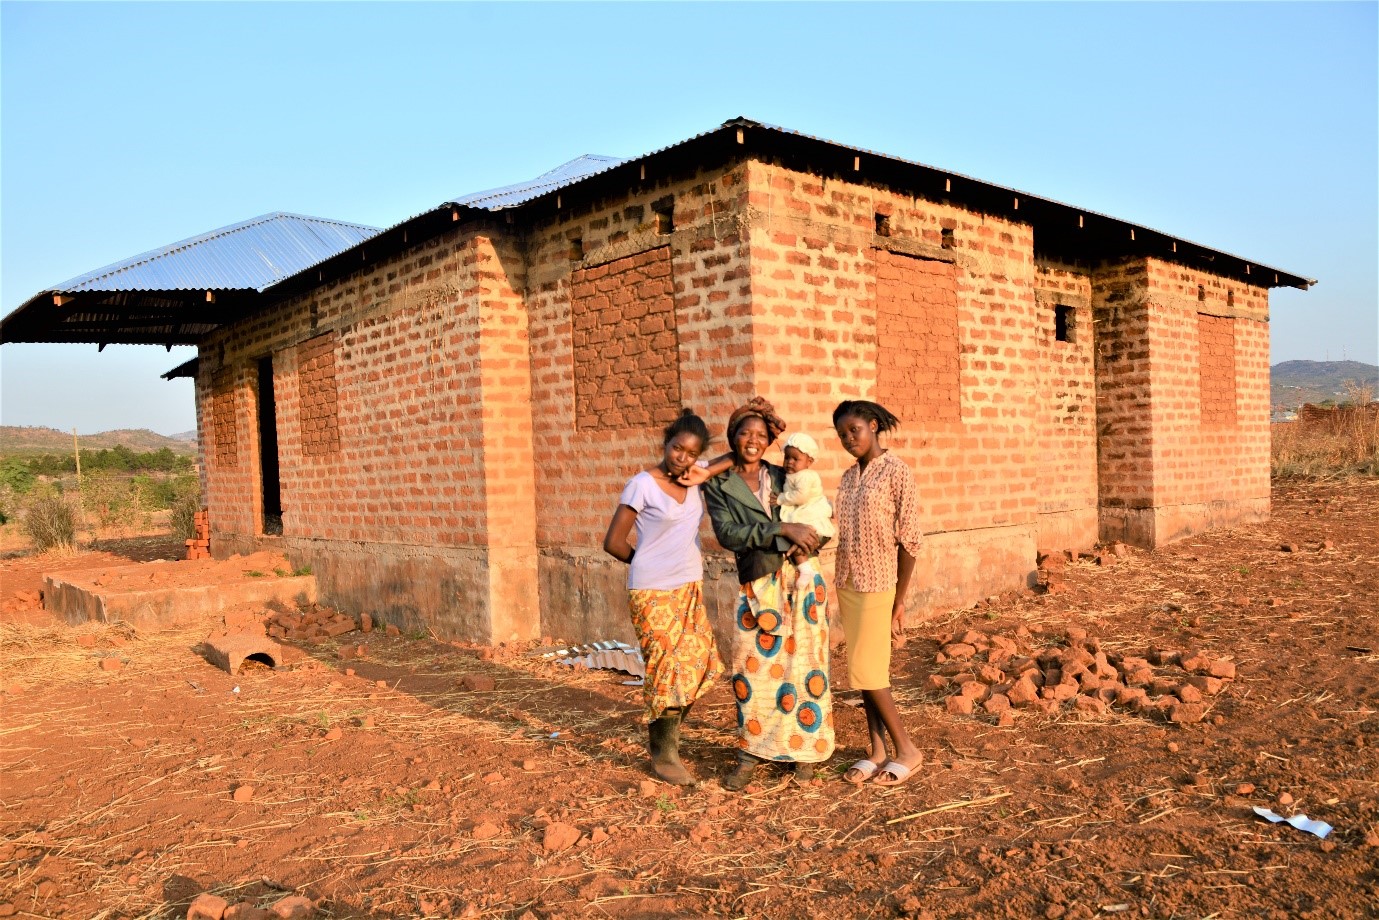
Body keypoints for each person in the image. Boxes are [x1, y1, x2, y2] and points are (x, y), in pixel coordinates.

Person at [699, 397, 836, 790]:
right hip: (758, 583)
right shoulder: (720, 484)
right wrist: (780, 530)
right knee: (752, 666)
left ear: (770, 441)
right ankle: (751, 752)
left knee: (806, 665)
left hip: (802, 579)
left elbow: (819, 512)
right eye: (745, 433)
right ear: (734, 438)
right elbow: (728, 534)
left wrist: (808, 540)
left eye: (761, 434)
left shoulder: (784, 475)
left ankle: (804, 752)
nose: (753, 440)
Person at [603, 409, 724, 785]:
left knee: (701, 661)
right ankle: (663, 752)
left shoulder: (696, 477)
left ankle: (667, 730)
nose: (681, 458)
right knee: (665, 666)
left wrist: (705, 470)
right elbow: (612, 542)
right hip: (652, 589)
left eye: (690, 453)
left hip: (689, 585)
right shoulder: (642, 484)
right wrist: (649, 563)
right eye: (676, 448)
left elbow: (736, 455)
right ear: (665, 443)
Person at [831, 400, 926, 787]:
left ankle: (907, 750)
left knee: (871, 670)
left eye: (854, 430)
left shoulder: (897, 472)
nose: (848, 439)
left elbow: (911, 541)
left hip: (879, 583)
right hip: (848, 584)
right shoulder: (848, 477)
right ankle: (876, 751)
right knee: (861, 670)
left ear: (872, 425)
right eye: (841, 435)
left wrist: (900, 599)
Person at [778, 432, 836, 582]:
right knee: (795, 537)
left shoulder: (806, 476)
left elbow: (801, 496)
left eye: (795, 458)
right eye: (787, 457)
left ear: (809, 461)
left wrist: (781, 499)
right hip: (801, 508)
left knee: (801, 539)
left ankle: (805, 569)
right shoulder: (794, 474)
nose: (789, 462)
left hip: (808, 510)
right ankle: (804, 568)